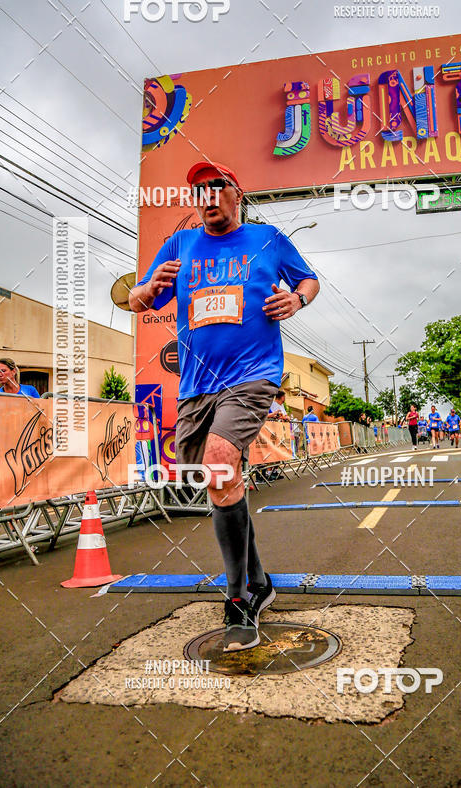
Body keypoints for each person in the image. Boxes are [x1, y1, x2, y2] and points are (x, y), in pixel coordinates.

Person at [129, 160, 319, 652]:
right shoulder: (180, 245)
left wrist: (296, 300)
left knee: (218, 465)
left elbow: (309, 280)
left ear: (238, 194)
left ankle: (239, 599)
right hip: (197, 385)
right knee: (219, 482)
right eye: (199, 190)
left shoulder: (267, 238)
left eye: (218, 186)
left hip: (253, 374)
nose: (208, 196)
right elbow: (137, 301)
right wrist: (147, 289)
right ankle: (259, 581)